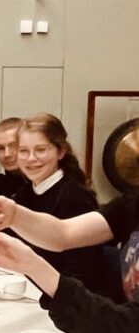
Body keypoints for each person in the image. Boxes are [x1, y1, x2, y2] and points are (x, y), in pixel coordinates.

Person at [0, 189, 139, 333]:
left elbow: (128, 332)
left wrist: (35, 267)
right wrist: (14, 215)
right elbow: (65, 233)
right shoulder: (133, 204)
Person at [11, 113, 104, 293]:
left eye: (40, 150)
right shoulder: (25, 193)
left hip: (66, 298)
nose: (31, 158)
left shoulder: (75, 198)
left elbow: (81, 273)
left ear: (60, 151)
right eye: (23, 151)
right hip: (33, 290)